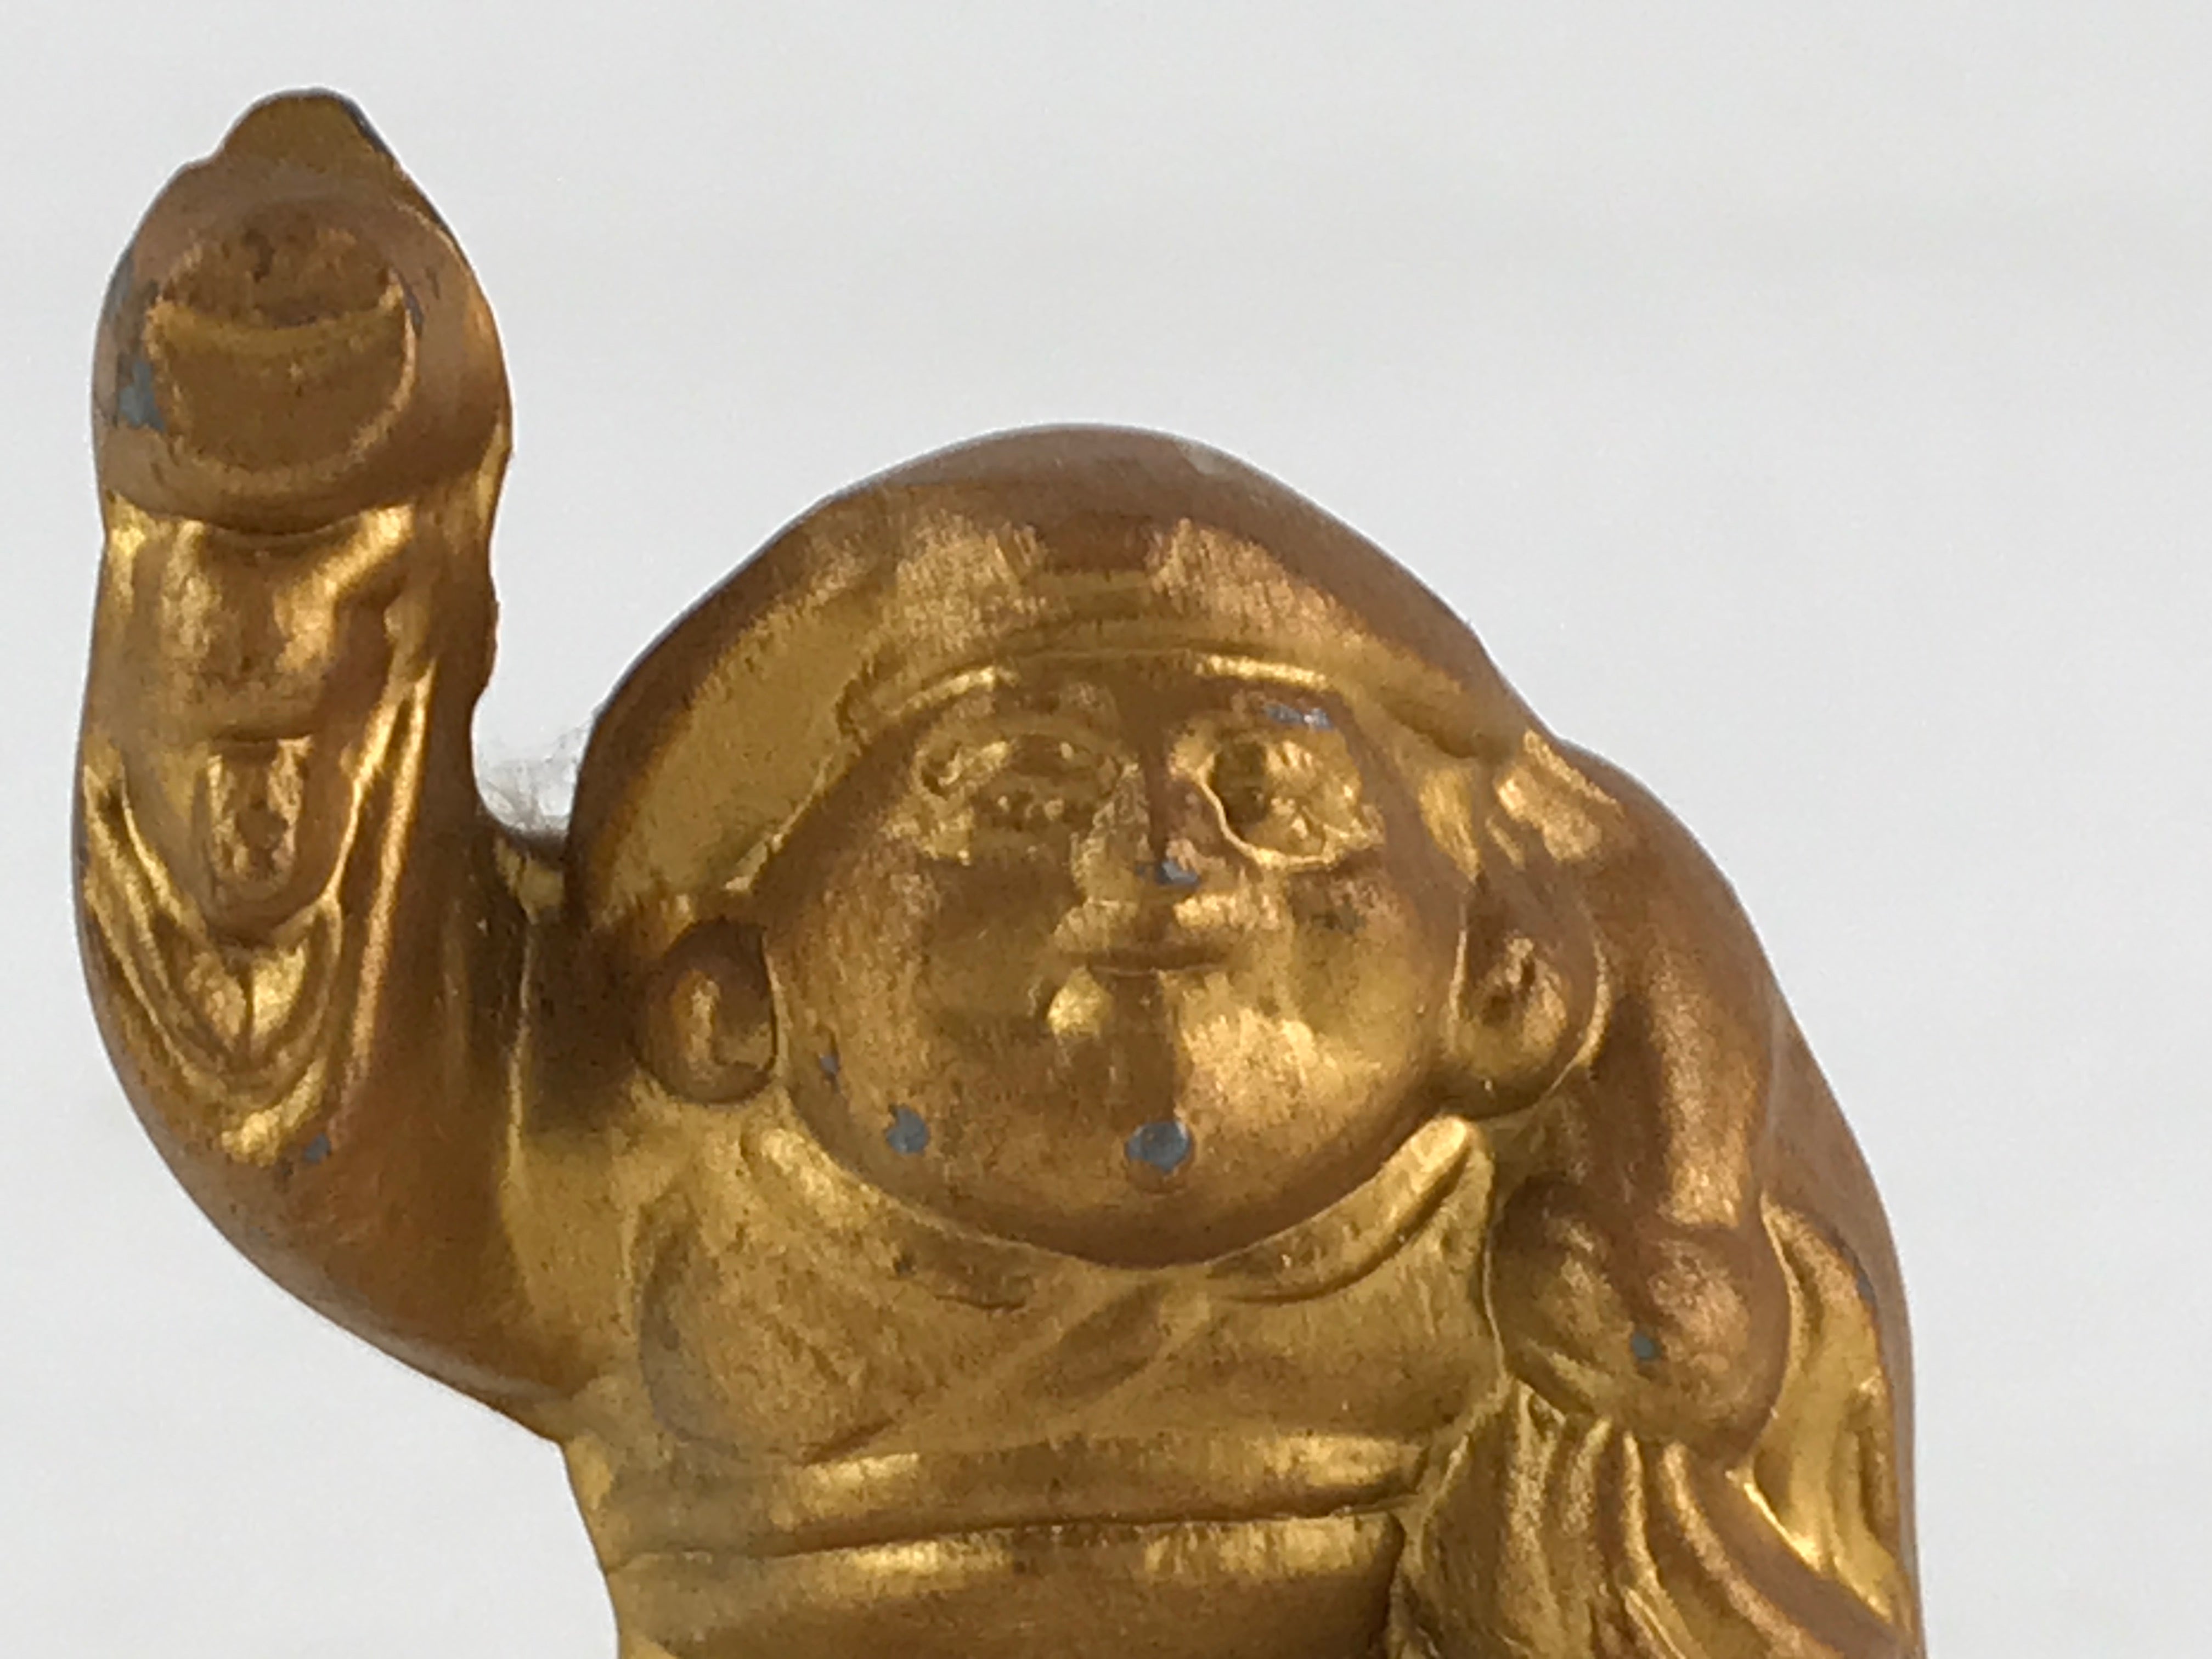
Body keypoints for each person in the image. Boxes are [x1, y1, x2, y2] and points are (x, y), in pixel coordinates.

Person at [77, 93, 1923, 1659]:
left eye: (1271, 792)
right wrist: (296, 571)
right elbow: (287, 1043)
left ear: (1494, 969)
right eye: (1015, 791)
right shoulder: (640, 1186)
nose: (1162, 856)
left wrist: (1660, 1282)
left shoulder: (1537, 1227)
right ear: (729, 978)